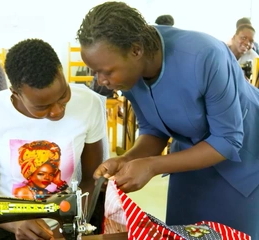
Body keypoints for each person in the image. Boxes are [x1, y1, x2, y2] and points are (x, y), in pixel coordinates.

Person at [77, 1, 259, 239]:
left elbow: (226, 140)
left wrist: (152, 165)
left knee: (229, 234)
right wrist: (127, 159)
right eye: (95, 72)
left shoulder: (205, 56)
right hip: (187, 163)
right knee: (179, 233)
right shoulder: (129, 73)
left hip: (243, 163)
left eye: (107, 71)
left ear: (136, 50)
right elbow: (154, 130)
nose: (101, 80)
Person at [0, 38, 106, 240]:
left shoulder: (88, 103)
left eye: (63, 95)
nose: (57, 112)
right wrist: (14, 223)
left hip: (68, 225)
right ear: (16, 93)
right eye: (43, 107)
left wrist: (65, 228)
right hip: (4, 224)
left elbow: (91, 181)